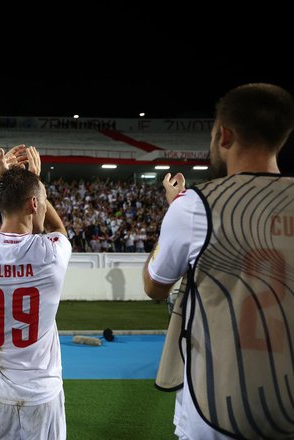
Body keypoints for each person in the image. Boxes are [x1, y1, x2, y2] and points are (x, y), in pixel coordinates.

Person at [143, 83, 294, 439]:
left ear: (223, 136)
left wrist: (174, 209)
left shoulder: (194, 205)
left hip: (216, 400)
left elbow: (154, 286)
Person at [0, 145, 71, 439]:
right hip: (41, 396)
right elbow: (60, 232)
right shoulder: (52, 254)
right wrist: (38, 182)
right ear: (34, 204)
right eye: (40, 202)